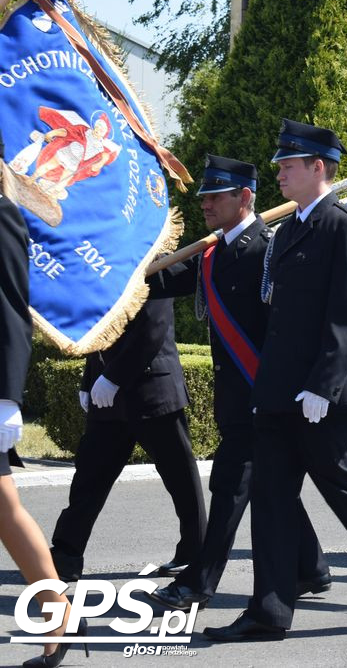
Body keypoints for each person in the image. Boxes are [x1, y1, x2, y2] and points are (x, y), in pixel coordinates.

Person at [204, 119, 347, 642]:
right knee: (272, 501)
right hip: (280, 392)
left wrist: (323, 386)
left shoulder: (343, 226)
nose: (279, 172)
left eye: (288, 165)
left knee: (342, 488)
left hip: (321, 395)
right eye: (279, 165)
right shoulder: (290, 230)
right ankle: (269, 611)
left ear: (317, 167)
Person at [146, 156, 330, 611]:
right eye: (204, 195)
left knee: (229, 487)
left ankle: (198, 583)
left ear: (244, 197)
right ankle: (310, 568)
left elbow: (284, 329)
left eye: (215, 195)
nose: (205, 203)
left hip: (263, 395)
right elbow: (162, 281)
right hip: (239, 397)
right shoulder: (212, 251)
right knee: (272, 486)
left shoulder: (268, 249)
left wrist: (277, 390)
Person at [48, 294, 207, 583]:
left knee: (180, 479)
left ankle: (195, 552)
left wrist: (113, 378)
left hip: (151, 392)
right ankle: (65, 556)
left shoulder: (149, 262)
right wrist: (91, 378)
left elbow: (153, 327)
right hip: (108, 397)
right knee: (88, 479)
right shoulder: (108, 267)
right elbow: (101, 329)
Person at [1, 140, 76, 667]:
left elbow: (10, 311)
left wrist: (7, 397)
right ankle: (60, 615)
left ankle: (60, 614)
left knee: (5, 510)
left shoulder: (3, 216)